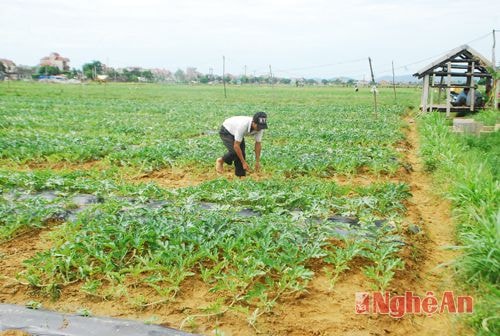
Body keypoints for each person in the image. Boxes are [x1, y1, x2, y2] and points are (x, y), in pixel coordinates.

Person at [216, 112, 268, 177]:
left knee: (241, 153)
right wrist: (243, 162)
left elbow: (258, 144)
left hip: (236, 131)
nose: (260, 129)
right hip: (227, 130)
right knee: (235, 152)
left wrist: (257, 162)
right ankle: (220, 160)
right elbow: (236, 146)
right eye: (259, 126)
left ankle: (240, 175)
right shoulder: (243, 125)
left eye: (262, 126)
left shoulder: (260, 128)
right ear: (253, 122)